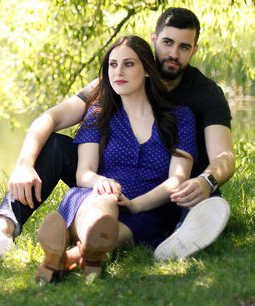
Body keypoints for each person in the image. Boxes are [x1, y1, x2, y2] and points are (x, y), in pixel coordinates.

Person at [0, 7, 234, 264]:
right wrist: (24, 165)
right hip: (109, 181)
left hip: (174, 185)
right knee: (52, 145)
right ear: (154, 39)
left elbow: (224, 156)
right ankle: (1, 231)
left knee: (203, 189)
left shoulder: (203, 95)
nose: (173, 53)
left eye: (184, 47)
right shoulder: (114, 81)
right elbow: (50, 118)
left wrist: (206, 181)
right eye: (167, 43)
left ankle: (181, 230)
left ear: (194, 49)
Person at [34, 35, 196, 282]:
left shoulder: (179, 118)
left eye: (129, 64)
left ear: (148, 71)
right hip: (92, 197)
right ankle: (85, 249)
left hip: (148, 209)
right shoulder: (99, 114)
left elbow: (177, 179)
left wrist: (137, 204)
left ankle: (62, 257)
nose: (118, 71)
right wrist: (100, 182)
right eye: (113, 64)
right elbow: (83, 172)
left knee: (113, 234)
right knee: (106, 202)